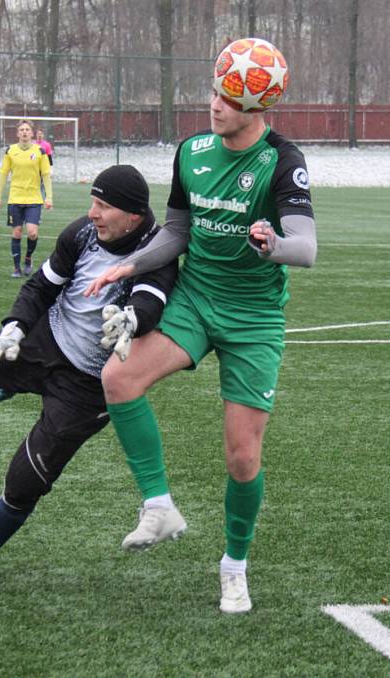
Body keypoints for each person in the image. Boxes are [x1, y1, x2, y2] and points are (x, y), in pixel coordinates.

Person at [85, 38, 317, 614]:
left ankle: (233, 565)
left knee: (242, 458)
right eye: (215, 91)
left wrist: (273, 246)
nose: (215, 105)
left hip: (254, 318)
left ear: (259, 108)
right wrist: (131, 264)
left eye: (229, 99)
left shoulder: (283, 161)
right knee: (119, 380)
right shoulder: (191, 152)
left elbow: (307, 249)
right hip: (194, 299)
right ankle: (159, 505)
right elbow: (178, 230)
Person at [0, 165, 178, 587]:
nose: (92, 213)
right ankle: (12, 381)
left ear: (134, 215)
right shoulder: (81, 234)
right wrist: (13, 327)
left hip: (86, 385)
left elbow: (149, 304)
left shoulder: (156, 254)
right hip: (45, 339)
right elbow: (41, 287)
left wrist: (131, 322)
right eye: (93, 202)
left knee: (25, 480)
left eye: (103, 206)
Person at [0, 119, 52, 278]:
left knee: (32, 233)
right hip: (15, 198)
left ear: (32, 133)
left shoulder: (40, 151)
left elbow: (46, 175)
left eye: (27, 129)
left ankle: (28, 259)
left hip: (34, 199)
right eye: (22, 130)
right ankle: (16, 268)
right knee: (17, 232)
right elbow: (3, 175)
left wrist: (49, 197)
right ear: (18, 133)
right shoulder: (10, 151)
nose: (25, 132)